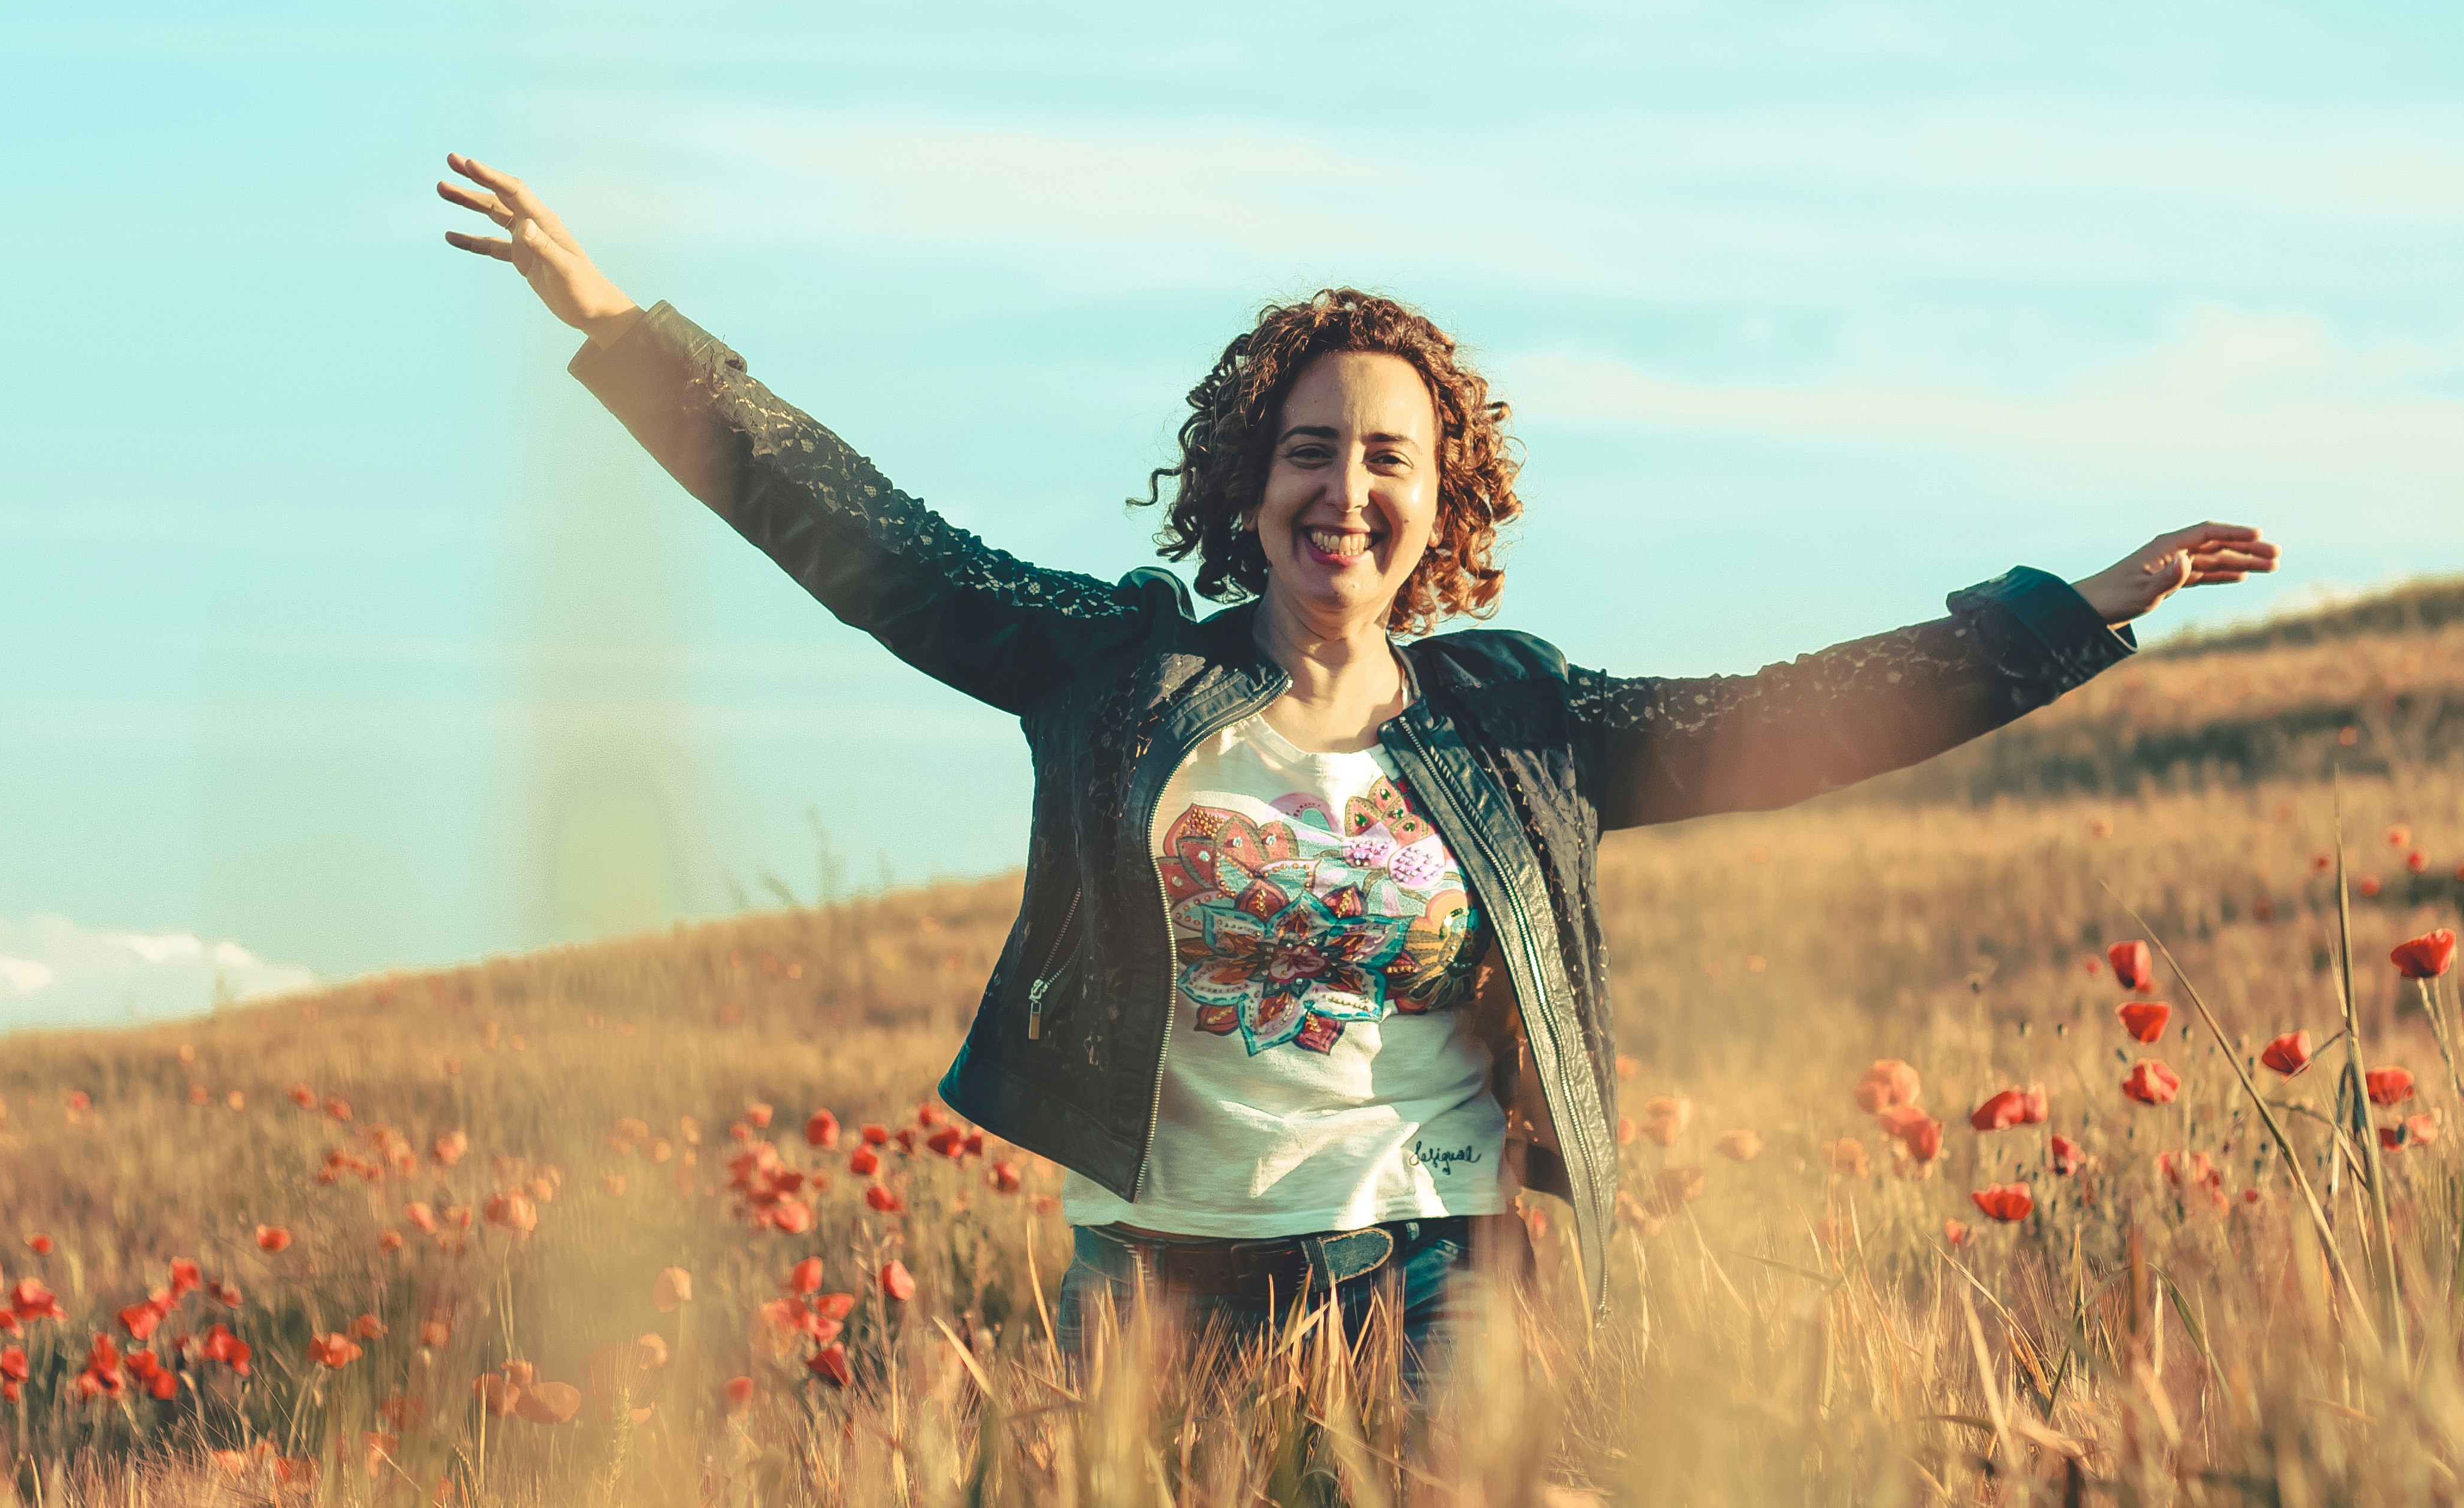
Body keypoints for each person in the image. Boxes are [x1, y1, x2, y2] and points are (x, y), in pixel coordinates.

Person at [437, 151, 2278, 1387]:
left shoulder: (1516, 727)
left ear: (1440, 505)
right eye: (1311, 449)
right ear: (1249, 484)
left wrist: (2077, 609)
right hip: (1157, 1279)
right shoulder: (1116, 670)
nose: (1348, 486)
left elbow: (1800, 714)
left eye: (1390, 457)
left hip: (1432, 1271)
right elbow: (871, 536)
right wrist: (622, 328)